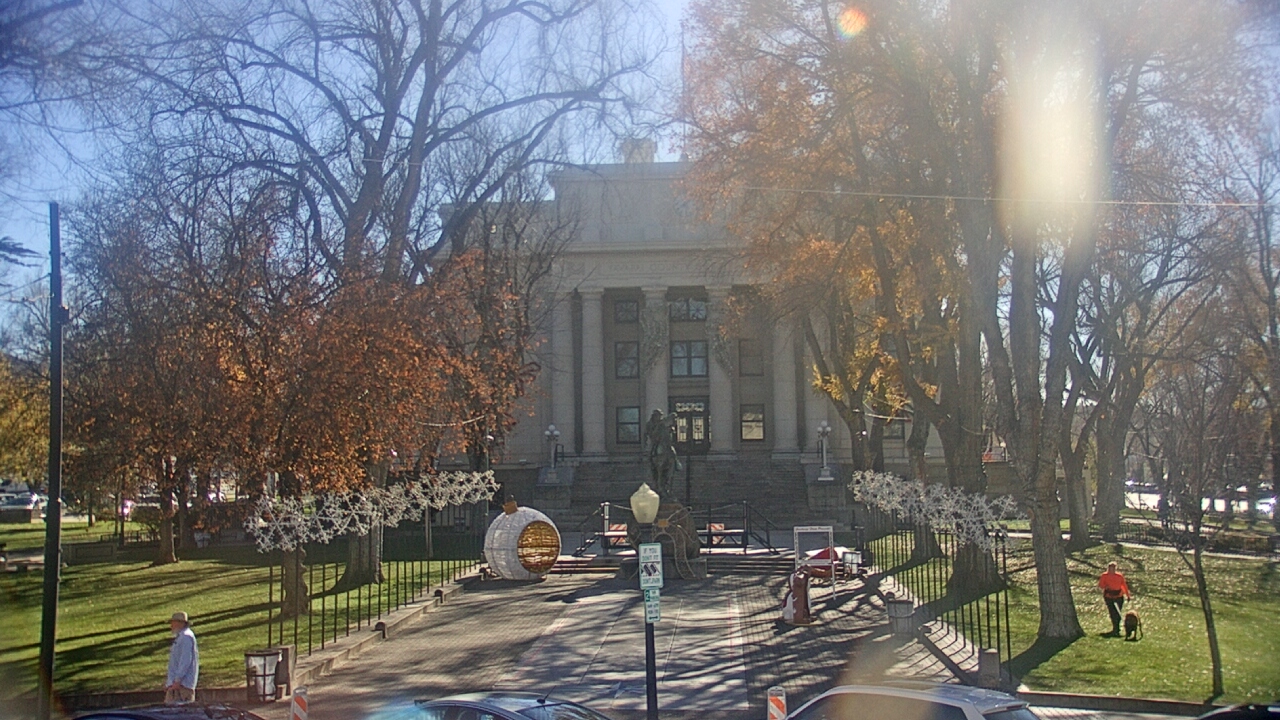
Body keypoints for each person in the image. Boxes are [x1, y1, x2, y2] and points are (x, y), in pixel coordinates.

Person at [165, 611, 199, 704]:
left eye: (173, 622)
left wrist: (177, 680)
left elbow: (185, 660)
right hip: (177, 685)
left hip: (182, 686)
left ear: (180, 623)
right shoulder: (181, 637)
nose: (171, 625)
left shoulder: (186, 637)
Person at [1097, 562, 1132, 636]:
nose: (1111, 570)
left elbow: (1124, 585)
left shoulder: (1119, 576)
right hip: (1109, 596)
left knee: (1118, 612)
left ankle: (1117, 628)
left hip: (1118, 596)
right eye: (1110, 568)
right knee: (1112, 612)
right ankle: (1115, 628)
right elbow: (1100, 584)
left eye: (1113, 568)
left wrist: (1128, 595)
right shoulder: (1104, 575)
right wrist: (1105, 587)